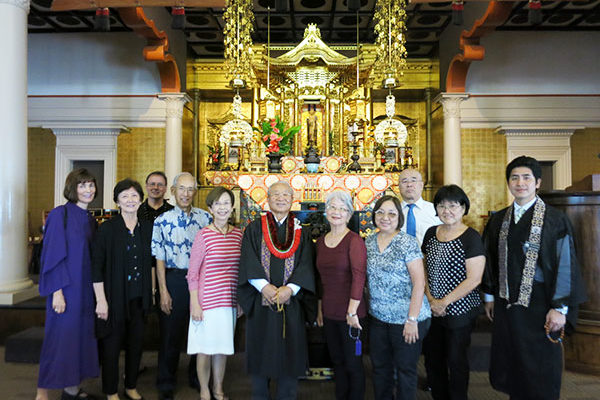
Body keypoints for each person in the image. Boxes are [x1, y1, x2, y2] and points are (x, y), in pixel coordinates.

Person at [482, 156, 586, 400]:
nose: (520, 183)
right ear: (508, 182)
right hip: (508, 306)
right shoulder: (499, 220)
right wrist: (488, 296)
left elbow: (565, 264)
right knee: (513, 366)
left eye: (527, 177)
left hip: (542, 305)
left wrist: (559, 307)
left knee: (541, 370)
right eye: (514, 177)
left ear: (537, 182)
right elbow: (490, 258)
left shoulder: (555, 219)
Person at [238, 181, 316, 400]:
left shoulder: (302, 230)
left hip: (292, 304)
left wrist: (290, 289)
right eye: (276, 195)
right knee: (261, 350)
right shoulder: (254, 228)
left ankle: (287, 395)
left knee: (290, 354)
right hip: (261, 302)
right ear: (268, 199)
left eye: (285, 195)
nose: (281, 199)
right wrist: (264, 287)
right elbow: (248, 259)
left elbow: (306, 263)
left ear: (292, 200)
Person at [36, 168, 100, 400]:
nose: (88, 190)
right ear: (72, 188)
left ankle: (71, 390)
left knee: (78, 340)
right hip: (65, 289)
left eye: (91, 185)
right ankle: (41, 394)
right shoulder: (59, 214)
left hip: (84, 291)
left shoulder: (90, 220)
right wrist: (57, 293)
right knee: (58, 341)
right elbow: (52, 255)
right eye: (82, 185)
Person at [421, 185, 485, 400]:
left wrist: (444, 302)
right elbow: (424, 268)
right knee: (433, 359)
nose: (447, 210)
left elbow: (474, 278)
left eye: (453, 205)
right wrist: (431, 299)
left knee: (456, 360)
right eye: (441, 205)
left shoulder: (471, 237)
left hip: (460, 310)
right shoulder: (431, 233)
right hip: (431, 307)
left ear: (463, 207)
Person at [92, 179, 154, 400]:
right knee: (111, 347)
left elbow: (154, 263)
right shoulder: (107, 229)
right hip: (113, 298)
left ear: (140, 199)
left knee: (136, 346)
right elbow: (96, 267)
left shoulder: (147, 228)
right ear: (117, 201)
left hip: (139, 297)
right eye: (125, 196)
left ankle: (131, 386)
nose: (130, 200)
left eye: (134, 195)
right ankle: (110, 391)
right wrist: (101, 300)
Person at [152, 172, 212, 400]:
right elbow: (158, 258)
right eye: (182, 189)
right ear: (173, 191)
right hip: (174, 279)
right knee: (170, 335)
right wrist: (163, 291)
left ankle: (197, 377)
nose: (186, 194)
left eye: (190, 189)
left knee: (200, 332)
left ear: (195, 193)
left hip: (201, 282)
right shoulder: (161, 221)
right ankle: (166, 382)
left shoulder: (205, 219)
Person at [366, 195, 431, 400]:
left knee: (405, 370)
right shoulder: (368, 241)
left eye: (392, 213)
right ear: (374, 215)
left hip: (408, 318)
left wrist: (412, 320)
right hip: (378, 318)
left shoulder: (407, 242)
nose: (386, 217)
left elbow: (419, 282)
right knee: (380, 369)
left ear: (399, 217)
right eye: (381, 212)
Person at [187, 187, 243, 400]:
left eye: (226, 203)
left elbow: (240, 271)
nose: (222, 208)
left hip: (228, 301)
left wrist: (239, 301)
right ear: (210, 208)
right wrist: (195, 303)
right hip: (206, 301)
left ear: (232, 207)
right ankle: (204, 389)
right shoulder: (203, 235)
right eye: (217, 203)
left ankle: (218, 388)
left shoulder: (238, 235)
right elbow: (192, 274)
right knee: (205, 349)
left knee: (222, 348)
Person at [315, 191, 367, 400]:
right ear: (326, 211)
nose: (337, 212)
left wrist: (352, 311)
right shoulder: (320, 241)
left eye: (342, 208)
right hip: (329, 311)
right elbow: (319, 279)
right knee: (337, 361)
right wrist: (320, 308)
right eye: (332, 207)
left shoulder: (354, 241)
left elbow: (359, 276)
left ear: (349, 214)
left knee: (353, 363)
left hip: (351, 314)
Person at [398, 168, 441, 245]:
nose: (409, 185)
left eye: (413, 180)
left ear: (421, 185)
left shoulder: (435, 210)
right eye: (404, 181)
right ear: (399, 187)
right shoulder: (394, 212)